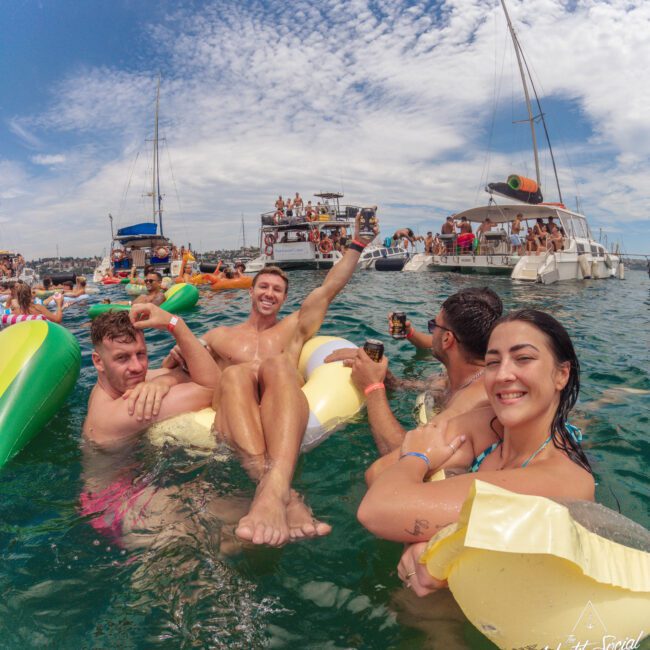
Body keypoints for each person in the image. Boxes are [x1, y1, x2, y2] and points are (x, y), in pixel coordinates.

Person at [164, 215, 379, 546]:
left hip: (283, 407)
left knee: (278, 365)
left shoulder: (292, 328)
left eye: (277, 290)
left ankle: (271, 491)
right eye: (263, 286)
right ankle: (284, 495)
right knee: (235, 374)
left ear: (284, 298)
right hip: (233, 412)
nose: (269, 293)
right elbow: (188, 367)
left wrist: (357, 244)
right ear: (251, 291)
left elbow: (330, 287)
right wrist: (175, 357)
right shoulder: (220, 335)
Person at [357, 309, 595, 596]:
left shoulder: (564, 480)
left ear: (561, 374)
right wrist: (418, 540)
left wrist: (418, 459)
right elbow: (378, 473)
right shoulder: (486, 425)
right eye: (493, 362)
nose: (503, 374)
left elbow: (377, 510)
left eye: (523, 358)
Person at [325, 288, 503, 461]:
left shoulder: (469, 407)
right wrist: (390, 381)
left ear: (447, 339)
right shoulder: (459, 377)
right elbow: (430, 388)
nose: (431, 333)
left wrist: (373, 387)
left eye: (433, 326)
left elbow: (407, 456)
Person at [84, 305, 219, 446]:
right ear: (98, 361)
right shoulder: (123, 412)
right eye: (122, 358)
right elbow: (212, 388)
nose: (137, 367)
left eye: (140, 354)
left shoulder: (106, 387)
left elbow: (170, 372)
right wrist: (176, 324)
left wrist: (166, 379)